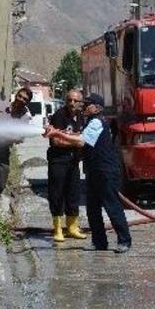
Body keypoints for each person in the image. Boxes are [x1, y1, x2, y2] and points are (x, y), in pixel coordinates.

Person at [43, 93, 132, 254]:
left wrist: (56, 134)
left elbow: (81, 141)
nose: (84, 106)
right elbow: (77, 136)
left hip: (105, 171)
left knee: (112, 207)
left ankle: (124, 240)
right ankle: (99, 242)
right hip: (94, 171)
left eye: (88, 104)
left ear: (97, 108)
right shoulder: (90, 122)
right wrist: (57, 131)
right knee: (92, 208)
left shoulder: (97, 122)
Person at [46, 89, 87, 243]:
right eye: (69, 100)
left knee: (73, 193)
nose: (72, 103)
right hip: (58, 161)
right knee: (57, 193)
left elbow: (84, 139)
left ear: (80, 103)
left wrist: (74, 141)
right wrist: (76, 141)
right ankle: (57, 228)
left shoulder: (81, 117)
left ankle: (72, 227)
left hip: (73, 162)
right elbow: (56, 141)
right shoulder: (59, 116)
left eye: (75, 101)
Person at [0, 88, 33, 204]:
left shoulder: (25, 116)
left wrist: (4, 136)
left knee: (1, 181)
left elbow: (20, 138)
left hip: (3, 149)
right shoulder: (0, 106)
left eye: (25, 99)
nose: (21, 100)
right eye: (20, 96)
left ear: (27, 102)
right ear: (16, 95)